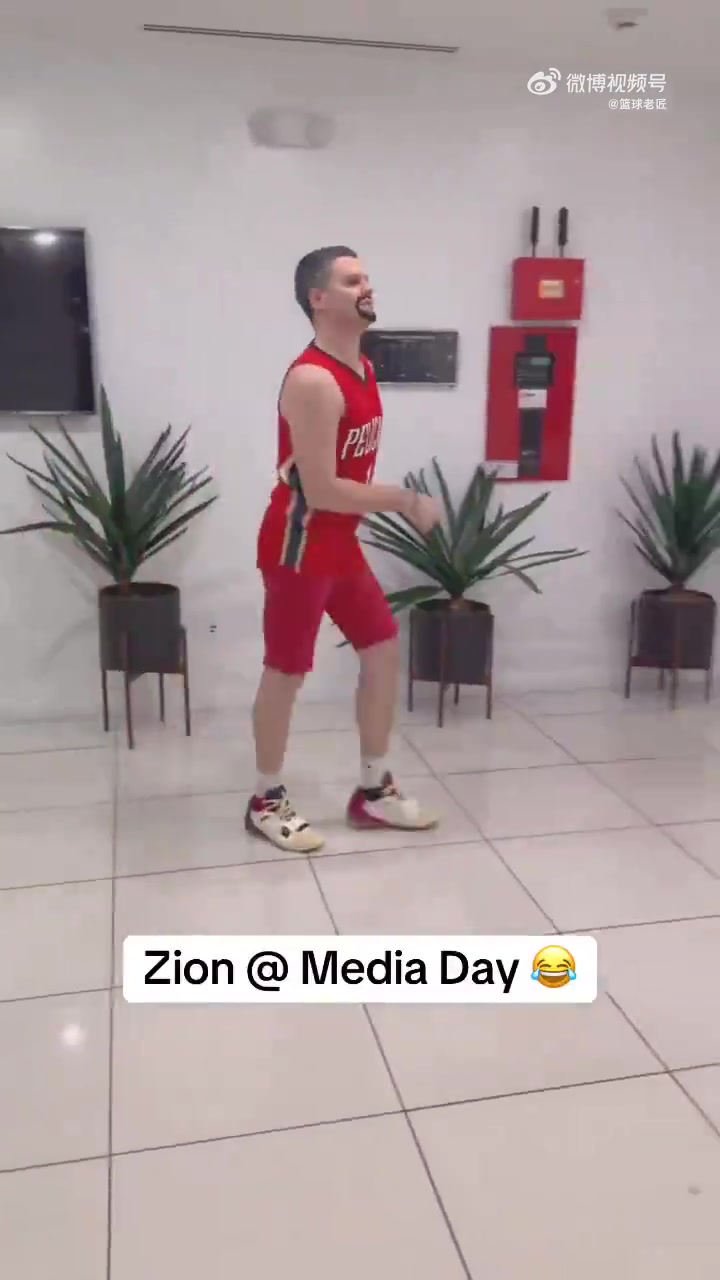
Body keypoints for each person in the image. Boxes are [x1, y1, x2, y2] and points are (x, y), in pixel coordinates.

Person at [245, 246, 443, 853]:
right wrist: (405, 500)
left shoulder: (363, 368)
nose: (367, 287)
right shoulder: (312, 380)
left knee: (381, 649)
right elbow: (325, 489)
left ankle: (373, 791)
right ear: (318, 298)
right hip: (299, 544)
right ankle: (265, 800)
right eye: (352, 279)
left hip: (339, 544)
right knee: (286, 671)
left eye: (367, 278)